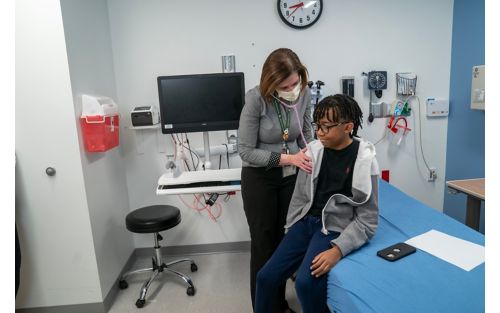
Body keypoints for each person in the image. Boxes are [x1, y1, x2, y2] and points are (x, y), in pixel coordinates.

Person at [254, 94, 379, 313]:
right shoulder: (314, 152)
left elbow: (368, 220)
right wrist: (291, 228)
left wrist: (338, 250)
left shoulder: (364, 161)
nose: (319, 132)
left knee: (305, 283)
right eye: (317, 125)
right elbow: (300, 198)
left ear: (348, 126)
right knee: (265, 278)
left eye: (326, 127)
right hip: (306, 223)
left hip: (333, 228)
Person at [238, 48, 314, 313]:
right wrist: (290, 159)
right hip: (260, 179)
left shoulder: (303, 93)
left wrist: (310, 150)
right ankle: (263, 307)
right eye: (285, 86)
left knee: (285, 244)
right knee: (263, 244)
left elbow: (306, 131)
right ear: (271, 83)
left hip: (290, 178)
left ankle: (279, 304)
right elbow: (245, 151)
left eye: (295, 83)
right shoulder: (256, 100)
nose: (292, 89)